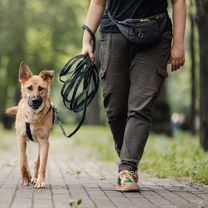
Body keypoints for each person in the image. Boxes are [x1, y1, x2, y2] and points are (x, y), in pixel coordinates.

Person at [82, 0, 186, 192]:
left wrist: (178, 43)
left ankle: (128, 169)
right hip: (114, 33)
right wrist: (86, 40)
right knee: (114, 109)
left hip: (156, 35)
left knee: (140, 106)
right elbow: (98, 2)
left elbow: (179, 1)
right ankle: (127, 155)